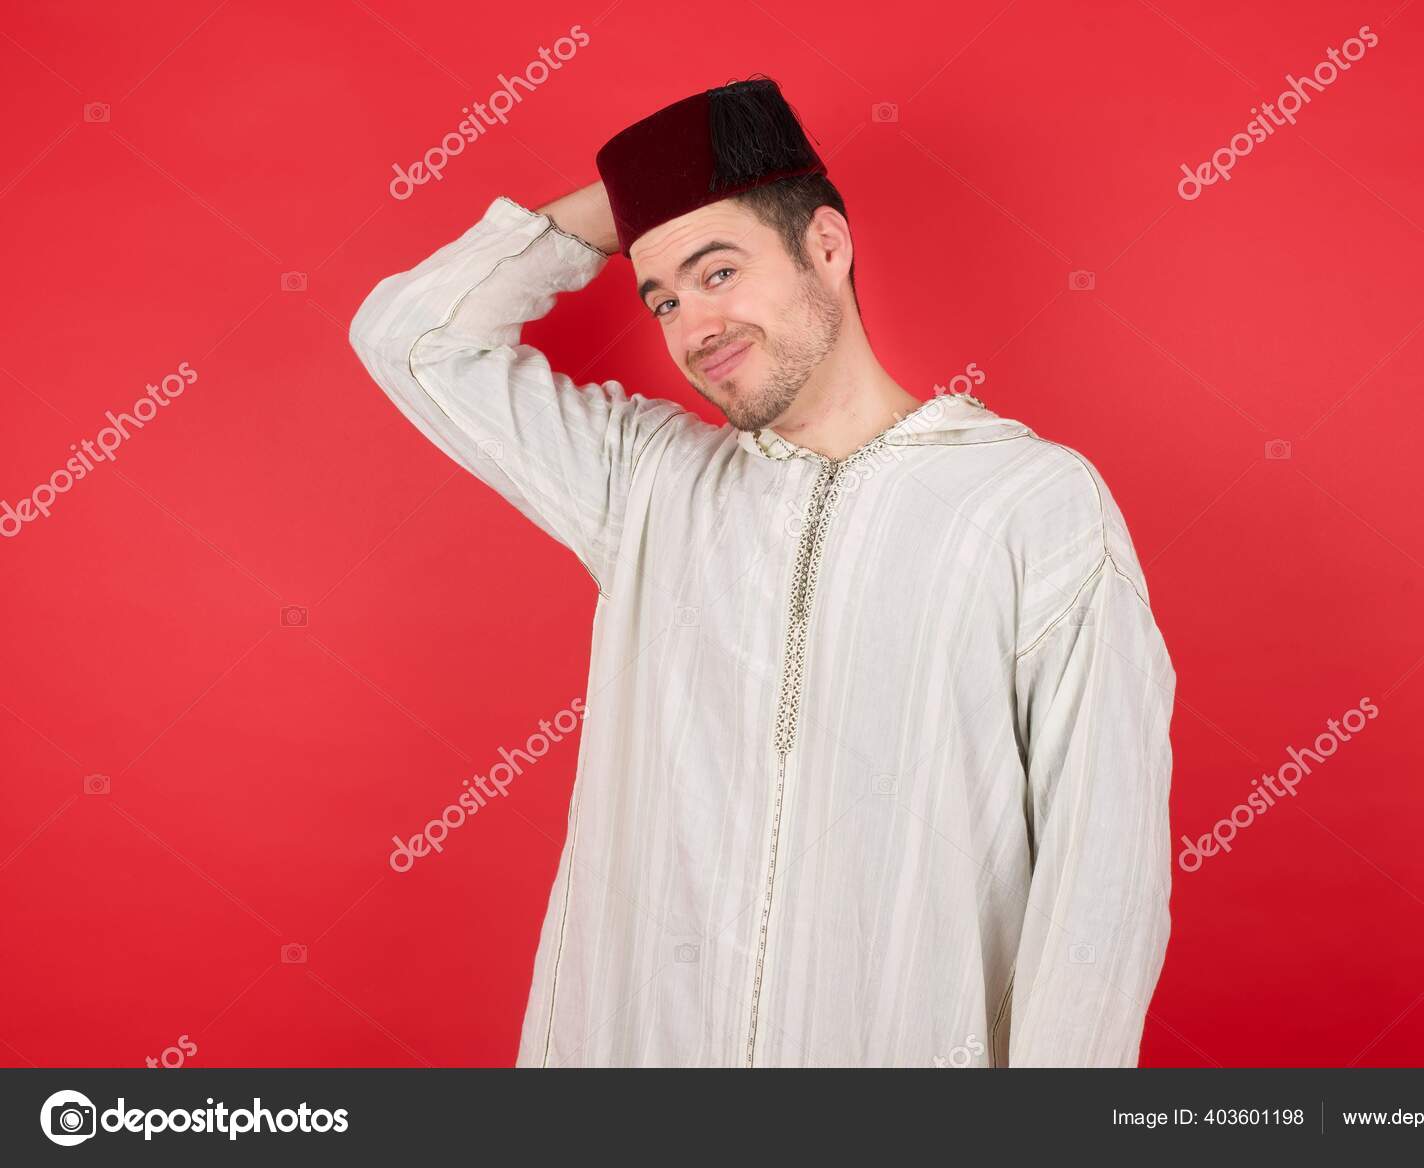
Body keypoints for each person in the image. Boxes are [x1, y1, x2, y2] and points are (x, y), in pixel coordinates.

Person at [349, 76, 1177, 1067]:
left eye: (719, 271)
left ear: (825, 247)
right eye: (661, 296)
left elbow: (1100, 880)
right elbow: (410, 338)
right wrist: (638, 201)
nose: (694, 326)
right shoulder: (647, 486)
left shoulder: (1025, 505)